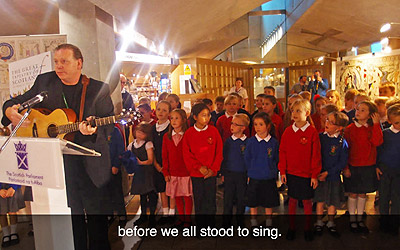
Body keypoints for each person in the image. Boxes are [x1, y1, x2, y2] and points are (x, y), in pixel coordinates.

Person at [1, 43, 114, 250]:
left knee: (96, 217)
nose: (58, 66)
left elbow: (109, 122)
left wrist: (94, 129)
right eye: (56, 62)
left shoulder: (98, 88)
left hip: (91, 164)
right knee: (72, 217)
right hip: (59, 165)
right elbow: (17, 101)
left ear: (79, 64)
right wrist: (9, 111)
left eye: (64, 61)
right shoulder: (45, 82)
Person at [279, 99, 322, 241]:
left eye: (298, 111)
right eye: (292, 110)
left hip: (307, 174)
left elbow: (315, 155)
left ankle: (307, 227)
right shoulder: (287, 131)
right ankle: (292, 227)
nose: (294, 113)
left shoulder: (312, 132)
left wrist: (314, 174)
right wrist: (283, 171)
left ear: (307, 113)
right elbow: (283, 152)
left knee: (306, 201)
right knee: (291, 200)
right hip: (291, 173)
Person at [343, 101, 383, 234]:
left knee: (362, 193)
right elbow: (345, 150)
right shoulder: (349, 129)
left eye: (363, 110)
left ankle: (360, 218)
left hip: (367, 166)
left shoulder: (372, 128)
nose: (358, 112)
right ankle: (352, 219)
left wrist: (376, 124)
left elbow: (377, 142)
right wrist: (346, 167)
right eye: (358, 109)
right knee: (352, 193)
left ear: (370, 114)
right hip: (353, 166)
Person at [182, 103, 223, 229]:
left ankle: (211, 225)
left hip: (211, 173)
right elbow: (187, 154)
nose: (207, 118)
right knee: (199, 200)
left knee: (211, 199)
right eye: (203, 115)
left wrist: (213, 169)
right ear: (195, 117)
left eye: (208, 115)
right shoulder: (189, 134)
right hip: (196, 174)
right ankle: (200, 226)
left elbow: (219, 151)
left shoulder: (213, 131)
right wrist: (198, 167)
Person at [314, 111, 349, 238]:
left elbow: (342, 162)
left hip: (333, 177)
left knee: (332, 202)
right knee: (320, 200)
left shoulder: (341, 142)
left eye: (331, 122)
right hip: (320, 175)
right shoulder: (320, 137)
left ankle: (330, 222)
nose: (326, 123)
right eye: (326, 120)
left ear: (339, 127)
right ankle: (318, 222)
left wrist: (328, 173)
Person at [245, 112, 280, 228]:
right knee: (253, 202)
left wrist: (274, 173)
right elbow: (247, 158)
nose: (257, 127)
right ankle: (253, 221)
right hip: (254, 176)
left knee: (268, 201)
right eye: (255, 124)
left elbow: (276, 159)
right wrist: (250, 172)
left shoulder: (273, 143)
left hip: (268, 177)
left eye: (261, 124)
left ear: (268, 126)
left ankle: (269, 221)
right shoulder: (250, 142)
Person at [162, 109, 193, 228]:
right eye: (172, 118)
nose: (173, 121)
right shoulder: (167, 136)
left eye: (177, 118)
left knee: (187, 196)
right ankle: (181, 218)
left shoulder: (188, 134)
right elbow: (165, 155)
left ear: (184, 120)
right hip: (173, 172)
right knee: (177, 196)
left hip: (186, 171)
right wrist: (166, 171)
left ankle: (188, 219)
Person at [221, 114, 249, 227]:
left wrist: (249, 173)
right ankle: (226, 221)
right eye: (232, 123)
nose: (232, 126)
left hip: (242, 174)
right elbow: (224, 157)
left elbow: (249, 159)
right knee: (228, 198)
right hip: (229, 173)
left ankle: (240, 220)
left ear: (243, 128)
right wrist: (223, 173)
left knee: (241, 198)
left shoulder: (247, 142)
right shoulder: (228, 141)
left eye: (235, 124)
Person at [128, 122, 158, 227]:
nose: (139, 134)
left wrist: (141, 162)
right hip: (139, 173)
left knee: (151, 193)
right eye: (138, 131)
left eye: (142, 133)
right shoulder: (131, 145)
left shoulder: (148, 144)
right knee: (142, 195)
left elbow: (150, 160)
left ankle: (152, 217)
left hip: (148, 172)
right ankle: (143, 215)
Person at [376, 104, 400, 234]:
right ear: (390, 121)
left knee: (397, 197)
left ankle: (395, 223)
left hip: (398, 170)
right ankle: (384, 220)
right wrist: (377, 166)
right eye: (397, 123)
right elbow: (378, 151)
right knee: (384, 196)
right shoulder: (385, 134)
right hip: (385, 169)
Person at [152, 101, 173, 225]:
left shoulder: (171, 127)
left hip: (170, 164)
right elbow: (151, 147)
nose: (161, 112)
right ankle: (165, 213)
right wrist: (156, 164)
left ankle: (172, 213)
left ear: (169, 113)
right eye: (159, 109)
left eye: (165, 110)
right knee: (162, 189)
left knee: (171, 189)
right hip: (158, 164)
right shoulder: (153, 128)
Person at [106, 125, 127, 227]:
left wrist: (116, 164)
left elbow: (120, 149)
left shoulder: (115, 131)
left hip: (113, 167)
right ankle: (109, 214)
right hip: (102, 169)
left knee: (117, 191)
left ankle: (122, 214)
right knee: (106, 193)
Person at [0, 182, 25, 248]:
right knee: (2, 212)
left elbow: (20, 172)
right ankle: (6, 234)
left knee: (13, 210)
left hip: (13, 185)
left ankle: (13, 232)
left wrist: (14, 187)